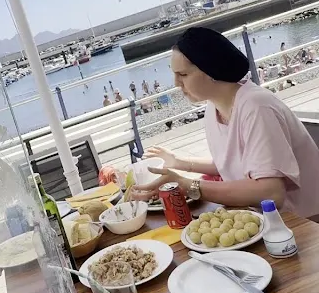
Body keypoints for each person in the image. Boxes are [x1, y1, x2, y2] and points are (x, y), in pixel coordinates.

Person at [132, 26, 319, 218]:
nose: (176, 83)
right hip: (265, 217)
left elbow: (271, 193)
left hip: (306, 220)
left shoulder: (256, 107)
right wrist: (178, 162)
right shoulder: (214, 108)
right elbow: (231, 164)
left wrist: (188, 185)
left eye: (183, 75)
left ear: (211, 70)